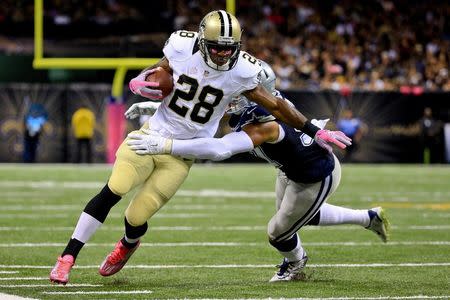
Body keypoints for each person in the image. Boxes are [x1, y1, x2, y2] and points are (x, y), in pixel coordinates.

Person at [49, 10, 351, 284]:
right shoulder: (181, 47)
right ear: (201, 41)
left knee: (137, 217)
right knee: (115, 188)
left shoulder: (243, 75)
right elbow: (163, 74)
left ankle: (128, 243)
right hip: (150, 135)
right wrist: (143, 83)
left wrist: (313, 129)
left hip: (183, 152)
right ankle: (68, 257)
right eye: (216, 47)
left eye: (229, 48)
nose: (222, 54)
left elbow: (275, 107)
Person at [126, 61, 389, 282]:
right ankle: (369, 218)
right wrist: (154, 109)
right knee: (298, 218)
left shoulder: (266, 125)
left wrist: (166, 145)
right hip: (289, 169)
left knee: (278, 233)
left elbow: (220, 149)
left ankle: (296, 262)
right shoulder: (263, 105)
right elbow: (209, 115)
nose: (228, 93)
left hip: (315, 176)